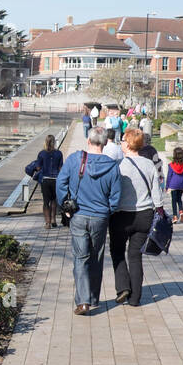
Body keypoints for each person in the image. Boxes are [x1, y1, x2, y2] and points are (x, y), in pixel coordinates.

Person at [56, 126, 122, 316]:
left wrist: (64, 205)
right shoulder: (113, 166)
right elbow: (115, 196)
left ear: (88, 141)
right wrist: (108, 211)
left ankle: (83, 301)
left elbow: (61, 183)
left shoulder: (75, 159)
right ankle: (93, 297)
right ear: (105, 142)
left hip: (78, 215)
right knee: (96, 256)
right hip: (100, 217)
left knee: (80, 257)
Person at [109, 128, 164, 307]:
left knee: (117, 250)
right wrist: (160, 209)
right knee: (135, 255)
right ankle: (135, 298)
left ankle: (123, 286)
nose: (121, 144)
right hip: (144, 215)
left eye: (123, 141)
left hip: (121, 216)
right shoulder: (148, 164)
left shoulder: (119, 166)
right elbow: (156, 192)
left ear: (129, 144)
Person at [25, 134, 64, 228]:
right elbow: (60, 168)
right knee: (54, 200)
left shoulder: (41, 153)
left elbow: (38, 167)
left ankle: (47, 222)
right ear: (54, 142)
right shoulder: (59, 153)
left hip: (45, 179)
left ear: (45, 142)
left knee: (46, 202)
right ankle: (54, 219)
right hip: (55, 179)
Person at [165, 147, 183, 224]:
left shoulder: (171, 165)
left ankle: (175, 216)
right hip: (182, 184)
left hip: (173, 184)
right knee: (179, 199)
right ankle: (181, 212)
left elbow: (169, 176)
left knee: (173, 200)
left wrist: (167, 186)